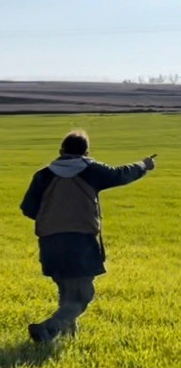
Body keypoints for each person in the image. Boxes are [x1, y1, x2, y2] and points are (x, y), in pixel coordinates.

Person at [20, 129, 156, 343]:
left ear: (61, 151)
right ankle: (48, 328)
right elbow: (120, 174)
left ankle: (68, 338)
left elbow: (28, 208)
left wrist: (56, 217)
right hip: (80, 241)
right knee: (83, 295)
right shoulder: (91, 170)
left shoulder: (43, 175)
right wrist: (143, 165)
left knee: (67, 292)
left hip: (50, 242)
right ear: (86, 152)